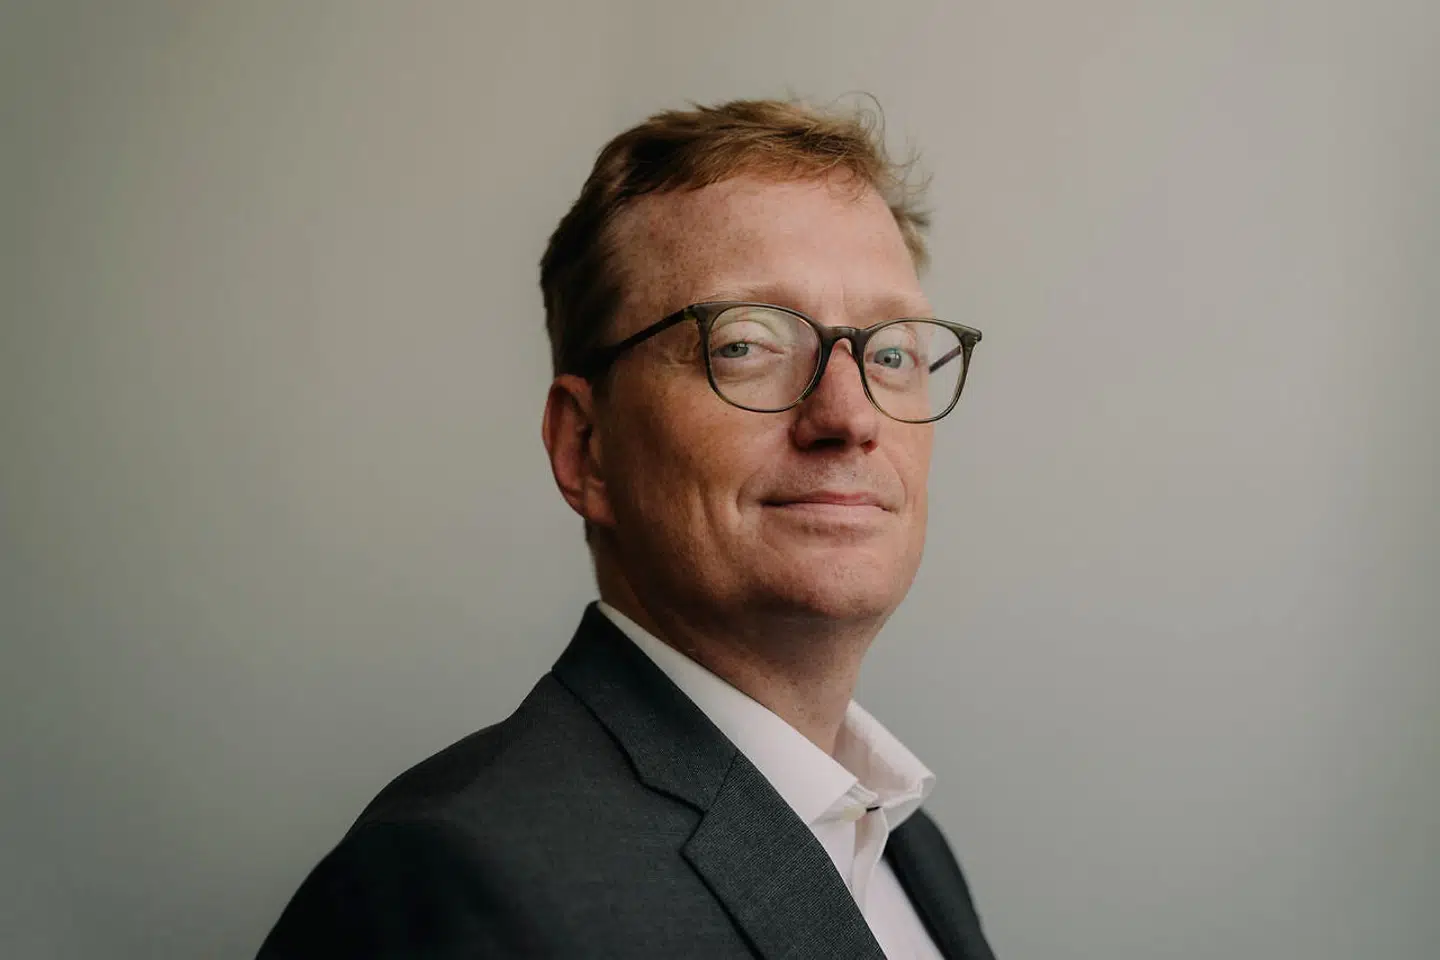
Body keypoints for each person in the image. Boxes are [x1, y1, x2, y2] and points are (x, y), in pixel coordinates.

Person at [257, 98, 991, 959]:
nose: (849, 415)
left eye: (891, 353)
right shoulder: (449, 882)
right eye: (745, 343)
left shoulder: (909, 852)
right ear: (586, 447)